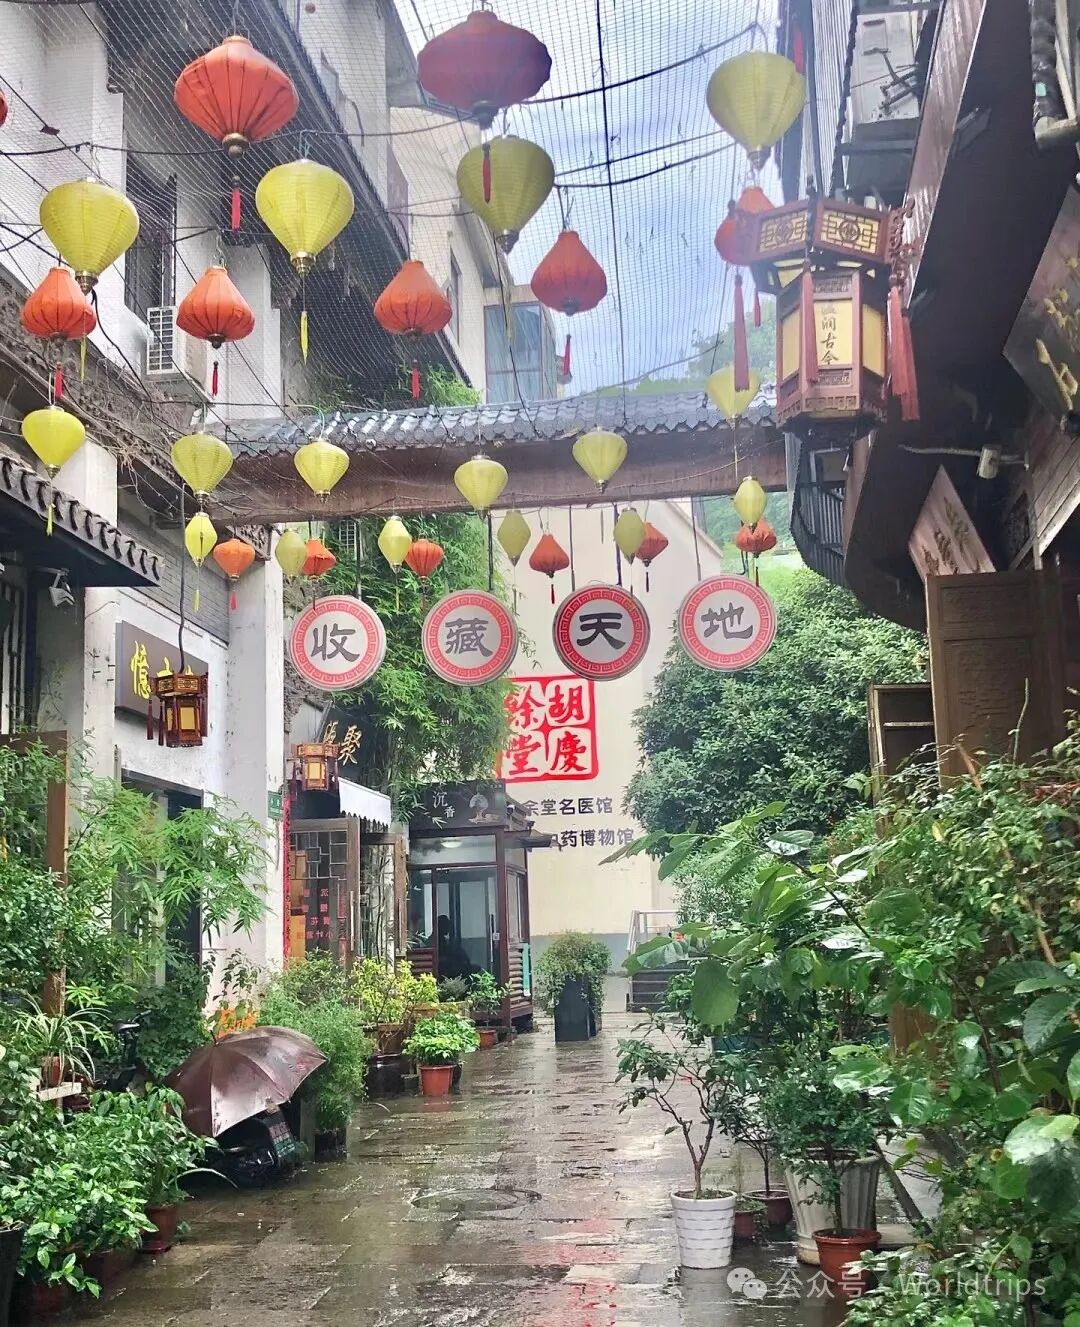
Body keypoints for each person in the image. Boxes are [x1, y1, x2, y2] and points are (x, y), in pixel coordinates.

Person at [430, 914, 474, 980]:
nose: (448, 928)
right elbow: (439, 957)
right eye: (446, 926)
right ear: (440, 926)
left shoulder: (441, 939)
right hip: (442, 968)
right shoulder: (436, 939)